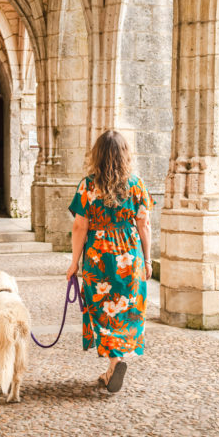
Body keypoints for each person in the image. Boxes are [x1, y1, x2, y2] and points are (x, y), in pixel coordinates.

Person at [66, 130, 153, 392]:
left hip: (98, 258)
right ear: (125, 155)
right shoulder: (136, 185)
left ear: (98, 156)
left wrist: (74, 263)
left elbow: (80, 226)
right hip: (130, 256)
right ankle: (115, 363)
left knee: (103, 309)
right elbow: (145, 224)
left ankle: (114, 364)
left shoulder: (88, 185)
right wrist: (148, 260)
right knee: (125, 309)